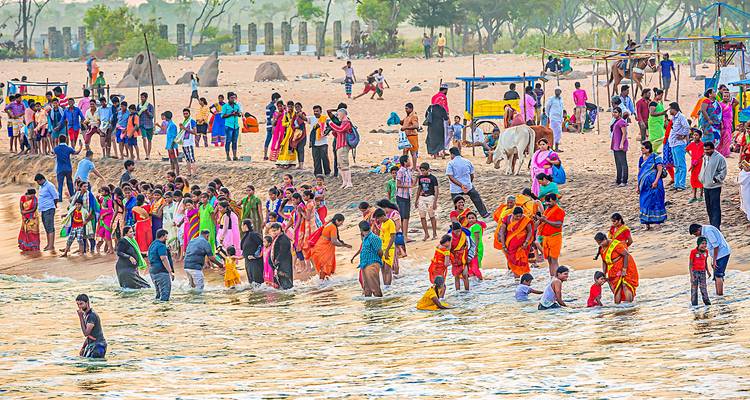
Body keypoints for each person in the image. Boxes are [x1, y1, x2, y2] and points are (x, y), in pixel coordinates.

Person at [594, 232, 639, 304]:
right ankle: (618, 308)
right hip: (613, 269)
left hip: (625, 265)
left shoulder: (616, 245)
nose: (600, 244)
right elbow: (604, 261)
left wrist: (624, 269)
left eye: (601, 242)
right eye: (598, 243)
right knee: (617, 288)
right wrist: (604, 274)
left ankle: (629, 306)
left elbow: (626, 255)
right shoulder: (602, 249)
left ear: (605, 239)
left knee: (625, 285)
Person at [446, 147, 489, 218]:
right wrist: (468, 183)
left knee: (457, 203)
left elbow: (451, 177)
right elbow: (472, 175)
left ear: (452, 154)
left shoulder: (451, 163)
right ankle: (484, 213)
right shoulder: (467, 161)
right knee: (476, 198)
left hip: (456, 188)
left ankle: (459, 217)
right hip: (468, 186)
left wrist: (461, 185)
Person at [689, 223, 730, 296]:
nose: (696, 236)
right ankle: (719, 295)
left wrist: (714, 261)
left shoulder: (708, 231)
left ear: (699, 229)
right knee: (717, 276)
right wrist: (712, 259)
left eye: (696, 234)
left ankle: (720, 296)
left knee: (718, 275)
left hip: (722, 253)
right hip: (718, 254)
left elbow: (716, 246)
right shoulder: (705, 230)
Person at [310, 213, 351, 280]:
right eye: (341, 222)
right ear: (337, 221)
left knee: (323, 267)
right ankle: (322, 283)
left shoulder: (329, 224)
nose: (341, 224)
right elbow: (334, 241)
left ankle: (323, 282)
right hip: (323, 248)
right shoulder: (333, 227)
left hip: (319, 246)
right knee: (325, 266)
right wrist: (345, 245)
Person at [637, 141, 667, 229]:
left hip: (655, 185)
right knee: (645, 202)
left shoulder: (656, 157)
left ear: (648, 149)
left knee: (656, 201)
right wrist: (638, 186)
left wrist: (656, 181)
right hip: (644, 186)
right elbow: (640, 172)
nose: (641, 150)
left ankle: (658, 222)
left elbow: (659, 170)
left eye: (643, 148)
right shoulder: (641, 159)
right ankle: (647, 224)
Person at [497, 207, 533, 278]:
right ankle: (516, 280)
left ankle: (525, 280)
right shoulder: (506, 219)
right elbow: (502, 232)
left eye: (520, 216)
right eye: (517, 216)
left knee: (523, 261)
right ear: (513, 214)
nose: (519, 218)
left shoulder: (525, 220)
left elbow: (530, 231)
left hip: (522, 246)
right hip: (510, 247)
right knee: (513, 262)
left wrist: (526, 242)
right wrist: (503, 246)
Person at [350, 220, 383, 297]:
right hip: (364, 264)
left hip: (372, 263)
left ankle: (380, 305)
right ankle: (370, 307)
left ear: (361, 230)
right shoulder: (365, 238)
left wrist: (377, 261)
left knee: (375, 287)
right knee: (367, 289)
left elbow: (380, 251)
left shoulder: (373, 238)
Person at [699, 141, 727, 229]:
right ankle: (712, 225)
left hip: (715, 186)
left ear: (713, 149)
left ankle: (716, 227)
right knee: (709, 207)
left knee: (715, 207)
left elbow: (723, 171)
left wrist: (716, 179)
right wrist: (701, 179)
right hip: (706, 185)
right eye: (704, 149)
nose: (706, 151)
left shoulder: (720, 158)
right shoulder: (705, 157)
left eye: (708, 149)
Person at [535, 194, 565, 276]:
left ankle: (557, 277)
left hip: (555, 237)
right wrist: (540, 219)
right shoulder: (547, 209)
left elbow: (559, 224)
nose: (547, 203)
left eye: (549, 202)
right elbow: (544, 221)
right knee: (549, 259)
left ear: (555, 201)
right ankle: (552, 278)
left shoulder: (559, 210)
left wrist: (545, 220)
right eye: (546, 202)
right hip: (546, 238)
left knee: (554, 259)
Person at [328, 108, 354, 188]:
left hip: (343, 145)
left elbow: (341, 129)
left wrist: (331, 124)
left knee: (344, 164)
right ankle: (344, 182)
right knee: (340, 165)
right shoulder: (343, 122)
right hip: (339, 145)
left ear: (343, 114)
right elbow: (338, 133)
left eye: (338, 114)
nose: (337, 116)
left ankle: (349, 182)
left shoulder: (347, 122)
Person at [75, 294, 107, 358]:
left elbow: (86, 333)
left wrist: (80, 317)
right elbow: (90, 336)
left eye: (81, 304)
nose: (79, 307)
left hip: (99, 346)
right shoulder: (87, 315)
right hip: (92, 345)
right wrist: (83, 347)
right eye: (78, 304)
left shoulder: (92, 316)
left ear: (87, 303)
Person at [668, 102, 689, 191]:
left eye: (670, 109)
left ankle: (682, 184)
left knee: (681, 165)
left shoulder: (681, 117)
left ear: (674, 109)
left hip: (679, 144)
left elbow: (687, 127)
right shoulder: (674, 118)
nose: (669, 111)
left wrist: (683, 135)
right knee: (676, 165)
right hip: (673, 143)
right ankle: (677, 184)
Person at [414, 162, 438, 240]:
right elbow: (419, 188)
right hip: (422, 197)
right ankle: (426, 234)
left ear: (428, 170)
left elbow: (436, 190)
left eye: (424, 170)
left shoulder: (433, 178)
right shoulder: (420, 178)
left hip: (430, 197)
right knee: (422, 216)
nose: (423, 172)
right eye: (421, 170)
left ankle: (434, 233)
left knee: (432, 216)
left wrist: (435, 202)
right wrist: (416, 199)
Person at [148, 229, 174, 301]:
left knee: (158, 295)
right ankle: (164, 311)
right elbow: (163, 259)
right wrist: (170, 271)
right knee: (165, 296)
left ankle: (157, 310)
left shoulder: (152, 244)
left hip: (153, 272)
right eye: (166, 236)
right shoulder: (161, 246)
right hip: (161, 272)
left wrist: (168, 250)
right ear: (162, 236)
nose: (167, 238)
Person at [54, 135, 83, 199]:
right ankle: (72, 195)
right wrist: (81, 146)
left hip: (60, 168)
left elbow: (52, 153)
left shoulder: (56, 148)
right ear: (66, 140)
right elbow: (76, 152)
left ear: (59, 140)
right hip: (68, 168)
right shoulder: (68, 148)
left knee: (60, 184)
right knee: (69, 183)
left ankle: (60, 197)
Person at [35, 174, 58, 251]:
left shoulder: (49, 186)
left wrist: (53, 205)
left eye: (38, 181)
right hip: (43, 210)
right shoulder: (41, 186)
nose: (37, 183)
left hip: (49, 209)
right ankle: (49, 244)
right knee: (46, 227)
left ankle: (51, 245)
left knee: (50, 227)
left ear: (42, 179)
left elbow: (56, 197)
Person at [374, 208, 396, 286]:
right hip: (382, 248)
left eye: (378, 218)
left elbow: (393, 237)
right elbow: (381, 236)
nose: (378, 220)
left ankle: (388, 286)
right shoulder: (383, 223)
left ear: (383, 216)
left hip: (389, 249)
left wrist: (387, 250)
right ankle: (385, 285)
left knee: (387, 268)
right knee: (382, 268)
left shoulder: (390, 223)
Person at [395, 154, 414, 242]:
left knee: (406, 216)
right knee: (404, 216)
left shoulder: (408, 171)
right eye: (408, 160)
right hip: (402, 196)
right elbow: (398, 184)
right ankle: (404, 236)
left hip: (407, 195)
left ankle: (405, 235)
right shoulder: (401, 171)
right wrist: (408, 186)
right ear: (405, 162)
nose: (410, 161)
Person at [270, 223, 294, 289]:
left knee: (285, 278)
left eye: (275, 231)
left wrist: (277, 259)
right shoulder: (278, 238)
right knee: (281, 279)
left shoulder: (284, 238)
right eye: (272, 231)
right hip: (280, 262)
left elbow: (283, 250)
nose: (273, 232)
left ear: (280, 229)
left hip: (284, 261)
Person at [689, 236, 711, 306]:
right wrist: (691, 276)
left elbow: (705, 262)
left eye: (705, 243)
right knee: (694, 290)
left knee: (703, 288)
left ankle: (707, 304)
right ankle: (694, 306)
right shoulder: (693, 252)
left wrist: (708, 271)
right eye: (702, 243)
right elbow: (690, 264)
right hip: (695, 272)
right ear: (698, 244)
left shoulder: (706, 252)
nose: (704, 245)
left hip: (703, 272)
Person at [309, 105, 331, 176]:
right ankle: (318, 174)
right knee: (316, 159)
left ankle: (327, 173)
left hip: (323, 142)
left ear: (321, 111)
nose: (315, 112)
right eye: (314, 111)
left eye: (317, 111)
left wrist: (325, 132)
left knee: (325, 158)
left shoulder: (325, 119)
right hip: (314, 143)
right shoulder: (311, 118)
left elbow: (330, 125)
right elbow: (303, 118)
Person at [240, 219, 264, 284]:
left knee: (258, 282)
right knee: (251, 282)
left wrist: (255, 256)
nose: (241, 227)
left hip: (255, 262)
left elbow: (262, 246)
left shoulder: (253, 234)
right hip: (248, 262)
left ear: (245, 225)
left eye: (242, 225)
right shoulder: (246, 235)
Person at [611, 107, 629, 186]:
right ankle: (618, 179)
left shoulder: (621, 122)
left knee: (623, 163)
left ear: (620, 113)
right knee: (618, 163)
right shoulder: (616, 121)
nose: (614, 114)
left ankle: (624, 180)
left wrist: (621, 143)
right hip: (615, 145)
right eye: (613, 112)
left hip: (620, 145)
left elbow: (624, 133)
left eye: (616, 112)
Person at [222, 92, 242, 161]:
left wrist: (238, 114)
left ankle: (234, 156)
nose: (233, 99)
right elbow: (222, 116)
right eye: (231, 98)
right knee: (228, 141)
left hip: (236, 125)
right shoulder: (225, 106)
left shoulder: (237, 105)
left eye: (234, 98)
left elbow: (240, 114)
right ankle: (227, 156)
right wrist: (231, 114)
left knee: (235, 141)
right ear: (228, 98)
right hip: (228, 126)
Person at [686, 129, 705, 203]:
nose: (695, 136)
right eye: (694, 135)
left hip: (700, 163)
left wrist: (701, 156)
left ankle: (701, 195)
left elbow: (705, 152)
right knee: (693, 179)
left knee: (700, 178)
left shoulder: (702, 144)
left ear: (700, 136)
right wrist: (691, 156)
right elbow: (686, 149)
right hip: (693, 163)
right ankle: (694, 196)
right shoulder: (692, 144)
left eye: (696, 135)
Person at [647, 88, 667, 154]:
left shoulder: (659, 103)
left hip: (660, 123)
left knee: (661, 136)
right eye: (661, 96)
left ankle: (654, 150)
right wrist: (662, 113)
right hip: (654, 123)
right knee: (657, 137)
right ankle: (652, 150)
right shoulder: (653, 103)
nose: (661, 97)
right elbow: (652, 113)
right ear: (657, 95)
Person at [400, 102, 419, 167]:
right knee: (405, 152)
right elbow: (403, 123)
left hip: (412, 136)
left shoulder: (413, 116)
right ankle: (405, 166)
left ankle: (414, 167)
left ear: (411, 109)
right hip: (406, 137)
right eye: (405, 109)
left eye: (407, 109)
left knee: (413, 153)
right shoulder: (407, 116)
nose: (406, 110)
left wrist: (405, 128)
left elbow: (416, 126)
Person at [544, 87, 564, 151]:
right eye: (556, 90)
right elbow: (547, 107)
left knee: (559, 133)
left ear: (560, 92)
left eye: (558, 91)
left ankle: (556, 147)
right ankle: (552, 147)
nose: (557, 92)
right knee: (553, 133)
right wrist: (548, 115)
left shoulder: (561, 100)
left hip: (559, 118)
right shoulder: (551, 99)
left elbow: (561, 109)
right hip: (553, 118)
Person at [179, 108, 197, 177]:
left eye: (186, 113)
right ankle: (189, 173)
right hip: (184, 143)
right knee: (187, 159)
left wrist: (185, 128)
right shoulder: (184, 121)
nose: (185, 115)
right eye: (184, 114)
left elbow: (195, 132)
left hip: (189, 143)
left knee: (192, 159)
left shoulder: (192, 121)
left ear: (189, 114)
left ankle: (194, 173)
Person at [137, 92, 154, 160]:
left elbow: (152, 116)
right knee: (144, 138)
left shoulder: (150, 106)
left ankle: (148, 154)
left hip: (149, 125)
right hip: (142, 125)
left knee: (149, 140)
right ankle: (146, 153)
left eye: (143, 97)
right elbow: (137, 114)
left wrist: (146, 111)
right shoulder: (139, 106)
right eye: (141, 97)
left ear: (146, 98)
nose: (141, 98)